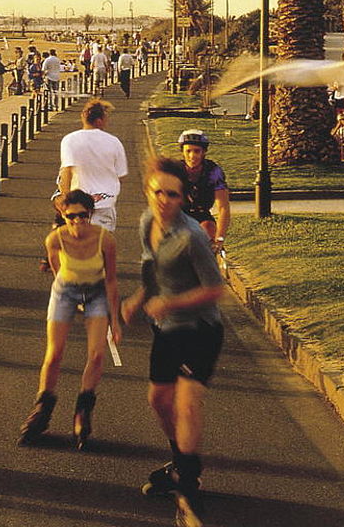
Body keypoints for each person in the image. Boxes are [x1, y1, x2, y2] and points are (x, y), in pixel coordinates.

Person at [122, 158, 225, 522]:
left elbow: (216, 289)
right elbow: (151, 267)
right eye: (157, 192)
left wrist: (171, 301)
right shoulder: (147, 222)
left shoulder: (192, 236)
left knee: (186, 402)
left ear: (183, 198)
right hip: (166, 328)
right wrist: (139, 298)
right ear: (148, 191)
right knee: (159, 400)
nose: (163, 200)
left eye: (172, 194)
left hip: (201, 329)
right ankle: (182, 465)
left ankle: (188, 489)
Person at [20, 189, 122, 449]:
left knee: (97, 354)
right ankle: (42, 410)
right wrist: (71, 299)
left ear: (91, 214)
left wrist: (116, 320)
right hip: (65, 291)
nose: (77, 221)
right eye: (71, 216)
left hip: (97, 293)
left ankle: (83, 410)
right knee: (54, 353)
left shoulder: (105, 240)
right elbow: (57, 271)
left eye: (83, 216)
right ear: (63, 216)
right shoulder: (55, 239)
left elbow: (111, 280)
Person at [59, 100, 129, 231]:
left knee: (78, 244)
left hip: (77, 205)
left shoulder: (69, 140)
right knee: (101, 244)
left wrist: (65, 198)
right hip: (105, 202)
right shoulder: (114, 142)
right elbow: (121, 175)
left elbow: (66, 172)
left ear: (83, 117)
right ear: (99, 120)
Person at [177, 130, 229, 249]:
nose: (192, 156)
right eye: (188, 151)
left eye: (197, 151)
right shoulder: (176, 170)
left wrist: (219, 239)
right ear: (183, 153)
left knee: (208, 232)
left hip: (202, 215)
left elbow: (223, 207)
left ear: (204, 152)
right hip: (178, 215)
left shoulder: (213, 172)